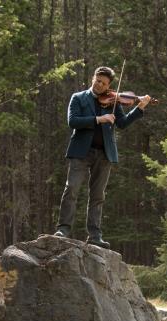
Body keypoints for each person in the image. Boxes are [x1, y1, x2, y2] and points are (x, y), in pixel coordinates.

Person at [54, 66, 151, 249]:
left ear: (109, 85)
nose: (99, 85)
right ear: (93, 78)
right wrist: (99, 119)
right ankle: (63, 230)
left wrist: (140, 108)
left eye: (104, 83)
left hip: (104, 153)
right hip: (81, 152)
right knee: (71, 189)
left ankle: (95, 235)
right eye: (98, 81)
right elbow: (72, 121)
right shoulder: (78, 97)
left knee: (98, 195)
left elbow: (122, 124)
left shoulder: (114, 100)